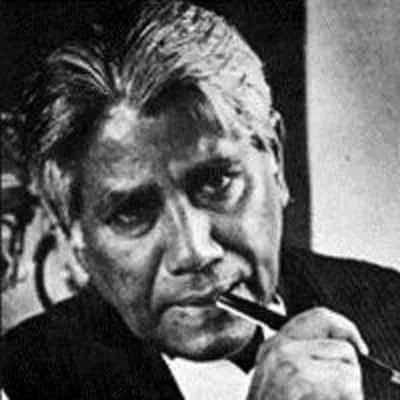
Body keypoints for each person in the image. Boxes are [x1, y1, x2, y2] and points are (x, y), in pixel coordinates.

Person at [1, 1, 400, 399]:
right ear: (75, 236)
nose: (194, 251)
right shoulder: (24, 380)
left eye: (218, 182)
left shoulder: (390, 307)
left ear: (275, 160)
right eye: (131, 213)